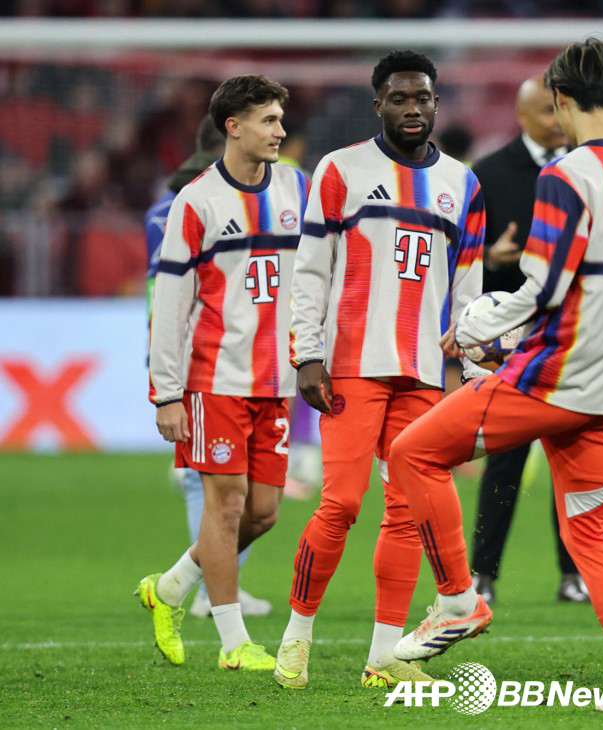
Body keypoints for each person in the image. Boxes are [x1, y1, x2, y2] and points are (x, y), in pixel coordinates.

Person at [388, 39, 603, 713]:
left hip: (552, 380)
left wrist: (474, 324)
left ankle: (457, 601)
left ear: (560, 100)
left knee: (411, 453)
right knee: (591, 537)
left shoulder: (563, 177)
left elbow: (543, 286)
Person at [274, 50, 484, 691]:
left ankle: (383, 656)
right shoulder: (338, 171)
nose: (412, 109)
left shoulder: (465, 185)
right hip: (352, 366)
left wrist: (471, 370)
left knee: (404, 511)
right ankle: (296, 637)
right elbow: (309, 270)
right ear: (379, 106)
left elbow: (468, 290)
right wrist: (307, 353)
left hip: (422, 371)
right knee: (340, 501)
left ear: (436, 103)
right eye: (399, 98)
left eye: (422, 97)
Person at [139, 75, 306, 671]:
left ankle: (171, 587)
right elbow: (171, 305)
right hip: (215, 377)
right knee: (227, 504)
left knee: (264, 512)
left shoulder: (298, 188)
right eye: (268, 120)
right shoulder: (198, 202)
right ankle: (234, 643)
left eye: (281, 120)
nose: (280, 131)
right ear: (233, 127)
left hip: (277, 381)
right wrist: (166, 392)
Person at [143, 114, 273, 620]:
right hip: (200, 350)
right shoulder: (194, 204)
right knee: (213, 485)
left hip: (187, 344)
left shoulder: (162, 207)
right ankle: (213, 591)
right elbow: (176, 288)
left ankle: (195, 579)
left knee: (244, 499)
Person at [469, 75, 588, 605]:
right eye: (546, 110)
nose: (557, 120)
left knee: (575, 461)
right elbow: (460, 255)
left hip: (573, 333)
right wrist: (488, 260)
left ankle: (574, 574)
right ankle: (483, 575)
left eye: (561, 109)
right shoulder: (488, 175)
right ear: (520, 116)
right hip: (512, 341)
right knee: (504, 462)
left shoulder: (585, 170)